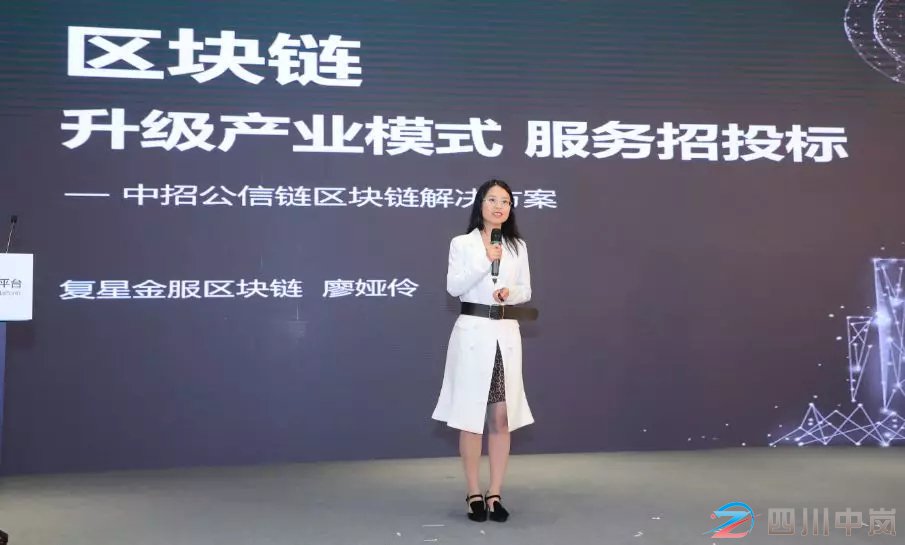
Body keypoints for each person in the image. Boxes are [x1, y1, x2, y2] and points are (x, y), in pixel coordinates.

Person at [431, 179, 534, 523]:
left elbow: (525, 289)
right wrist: (484, 261)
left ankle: (495, 493)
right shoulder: (462, 244)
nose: (499, 206)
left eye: (505, 201)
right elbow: (454, 286)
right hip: (473, 335)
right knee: (470, 417)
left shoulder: (517, 246)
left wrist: (509, 293)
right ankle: (473, 491)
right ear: (480, 204)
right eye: (492, 200)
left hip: (504, 334)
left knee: (501, 418)